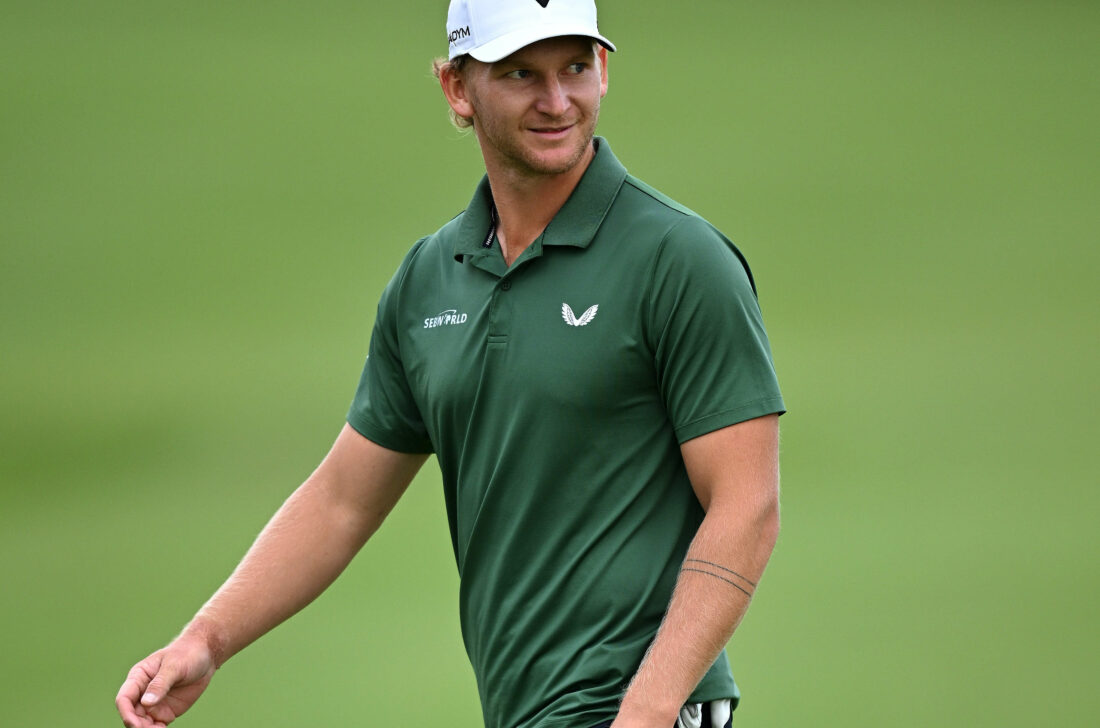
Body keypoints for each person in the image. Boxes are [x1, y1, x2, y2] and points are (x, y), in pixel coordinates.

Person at [115, 1, 785, 727]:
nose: (556, 100)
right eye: (521, 73)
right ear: (457, 89)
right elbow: (343, 499)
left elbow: (747, 506)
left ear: (603, 71)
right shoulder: (430, 280)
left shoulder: (679, 261)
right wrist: (205, 639)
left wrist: (648, 712)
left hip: (637, 712)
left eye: (575, 68)